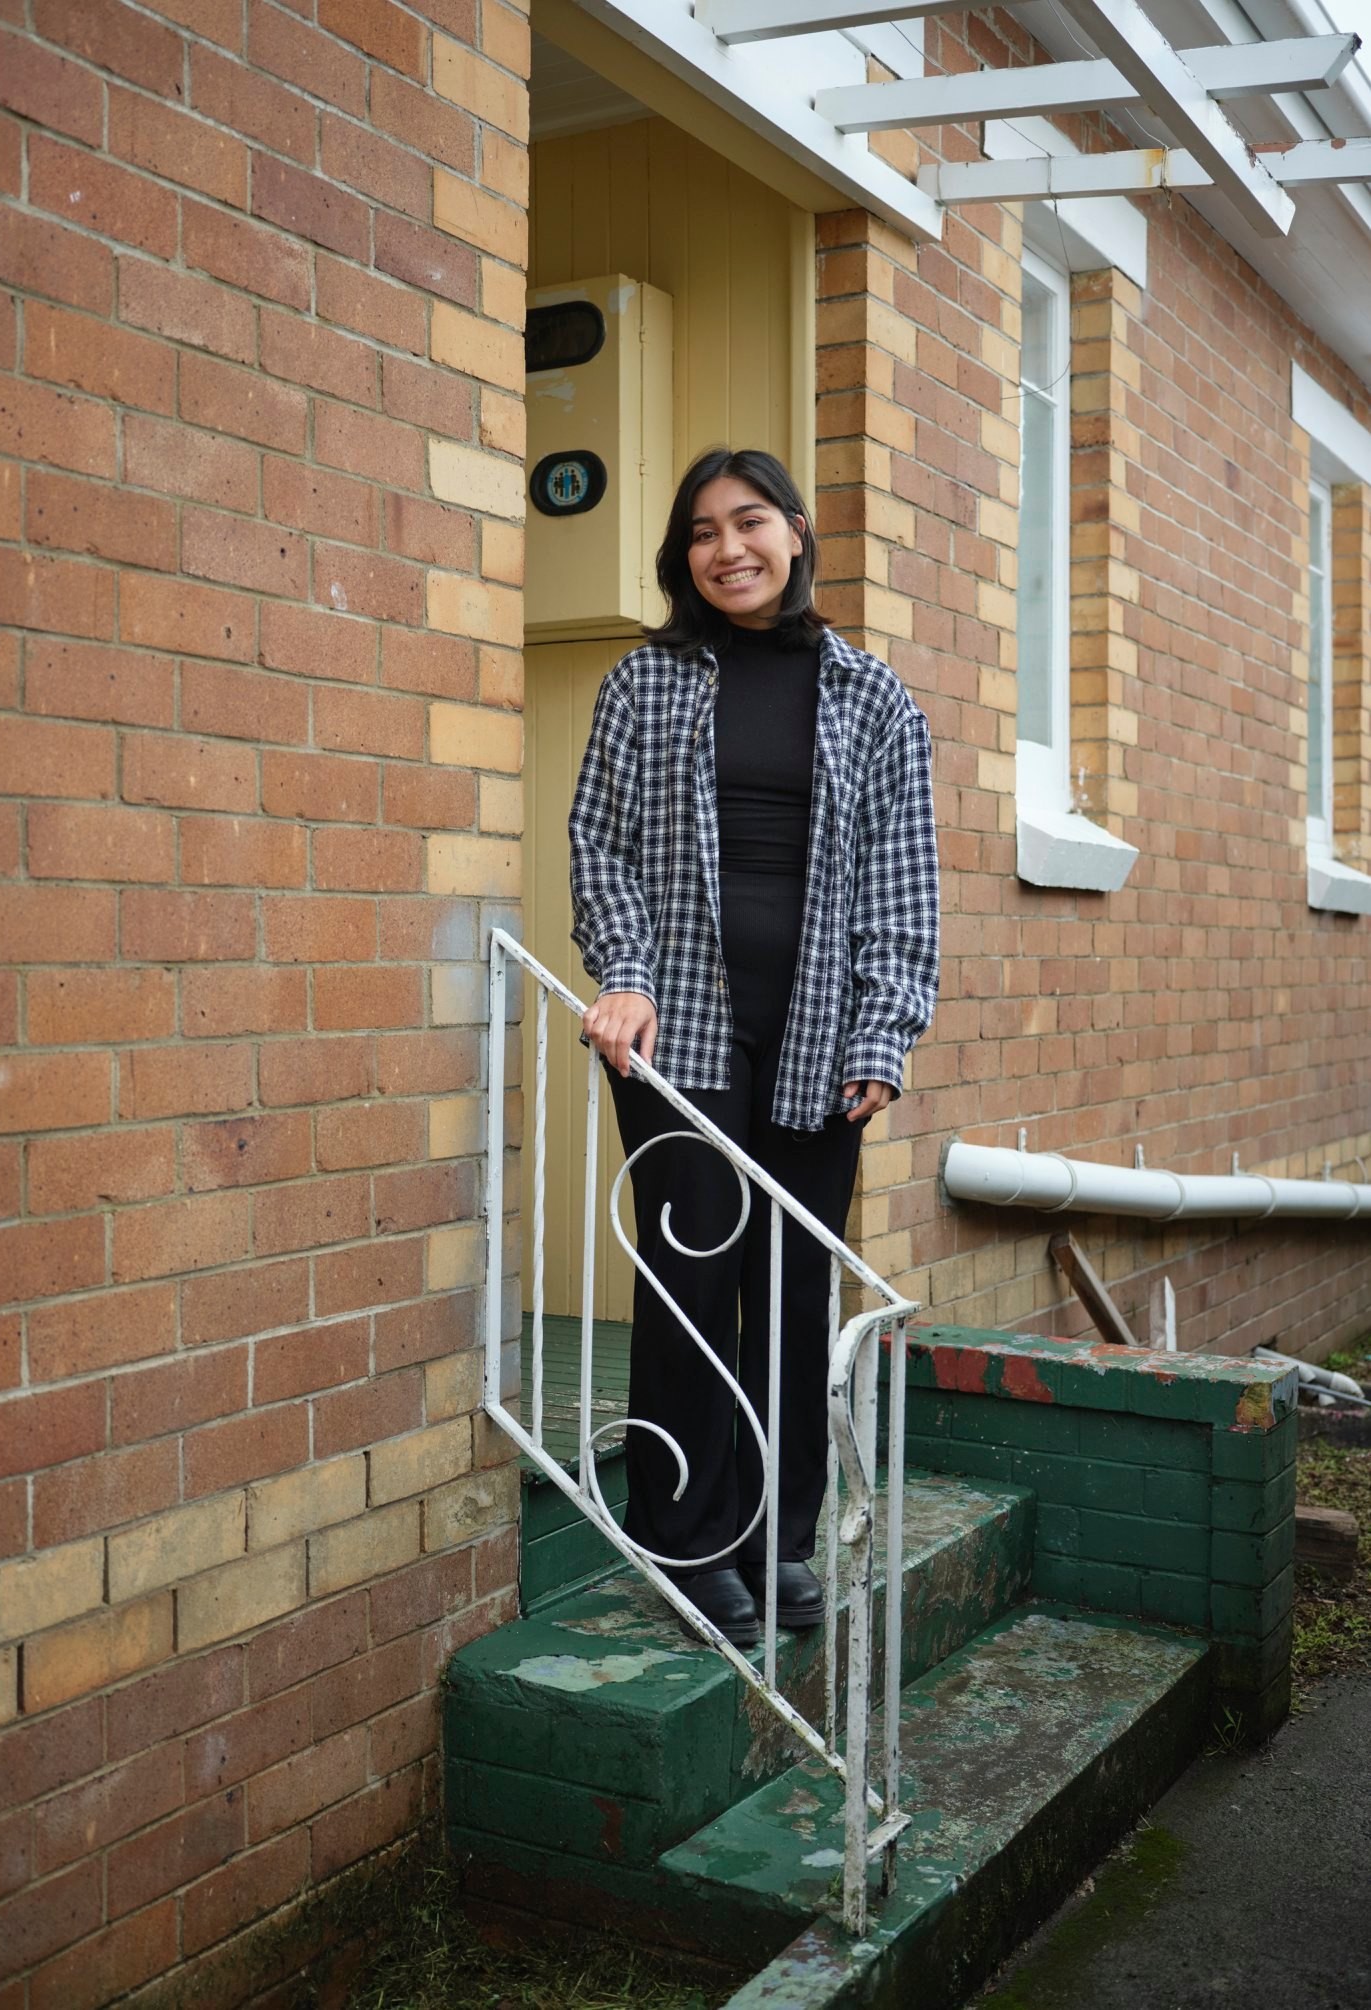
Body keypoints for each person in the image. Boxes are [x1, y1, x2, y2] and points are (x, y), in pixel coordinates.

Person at [568, 446, 940, 1648]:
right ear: (683, 559)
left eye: (748, 522)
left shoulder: (872, 696)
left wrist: (884, 1026)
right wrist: (622, 975)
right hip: (677, 1026)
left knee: (790, 1289)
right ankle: (684, 1543)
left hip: (819, 1031)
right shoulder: (644, 683)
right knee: (691, 1283)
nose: (726, 549)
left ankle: (777, 1536)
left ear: (792, 531)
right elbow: (599, 845)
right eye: (700, 533)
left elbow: (902, 884)